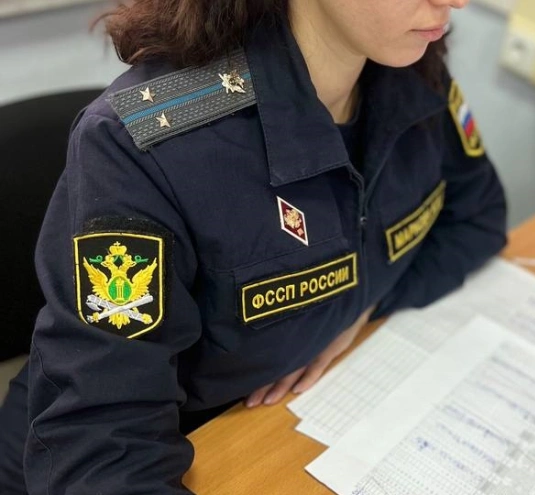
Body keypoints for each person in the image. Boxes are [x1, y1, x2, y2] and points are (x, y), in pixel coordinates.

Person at [0, 0, 507, 491]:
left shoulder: (413, 75)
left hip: (288, 425)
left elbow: (477, 220)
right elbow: (98, 443)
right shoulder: (143, 147)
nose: (456, 1)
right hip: (167, 446)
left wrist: (358, 306)